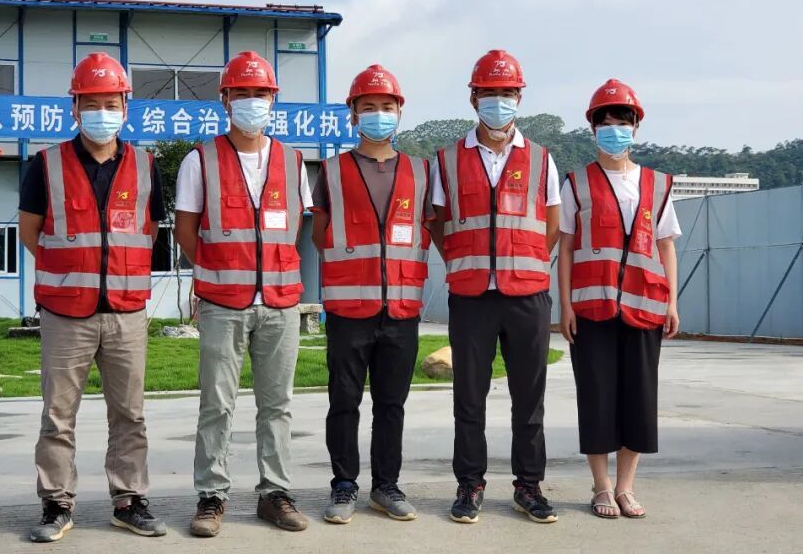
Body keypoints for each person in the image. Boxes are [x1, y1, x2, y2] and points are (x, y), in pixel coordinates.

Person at [18, 52, 168, 542]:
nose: (101, 112)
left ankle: (129, 500)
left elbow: (150, 231)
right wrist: (73, 272)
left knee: (130, 414)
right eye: (91, 103)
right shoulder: (45, 165)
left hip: (126, 312)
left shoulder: (146, 165)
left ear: (125, 106)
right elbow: (30, 232)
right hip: (66, 313)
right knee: (58, 416)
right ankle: (56, 504)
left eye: (111, 103)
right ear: (75, 108)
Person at [174, 51, 312, 537]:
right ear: (226, 99)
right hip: (222, 304)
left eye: (261, 94)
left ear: (273, 100)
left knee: (278, 405)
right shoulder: (200, 160)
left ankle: (275, 493)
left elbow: (294, 229)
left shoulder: (293, 161)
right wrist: (221, 272)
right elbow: (186, 230)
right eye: (243, 93)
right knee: (217, 404)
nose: (252, 102)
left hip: (280, 304)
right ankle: (211, 495)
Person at [427, 50, 562, 524]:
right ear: (473, 98)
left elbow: (551, 225)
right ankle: (470, 484)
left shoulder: (542, 159)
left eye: (507, 93)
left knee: (529, 397)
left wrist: (523, 262)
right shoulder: (447, 159)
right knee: (469, 397)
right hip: (471, 296)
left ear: (519, 98)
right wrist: (464, 261)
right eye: (490, 93)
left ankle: (529, 485)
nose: (499, 102)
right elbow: (437, 223)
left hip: (527, 294)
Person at [310, 65, 433, 524]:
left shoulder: (420, 171)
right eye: (368, 107)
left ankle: (386, 486)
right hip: (348, 310)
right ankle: (344, 486)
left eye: (386, 106)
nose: (378, 114)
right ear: (353, 114)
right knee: (344, 402)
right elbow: (321, 233)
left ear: (399, 112)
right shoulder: (332, 171)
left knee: (391, 404)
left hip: (401, 308)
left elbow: (427, 230)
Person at [556, 78, 681, 520]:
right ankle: (601, 487)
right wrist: (565, 305)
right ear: (593, 129)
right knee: (596, 396)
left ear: (635, 128)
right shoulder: (576, 183)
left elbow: (665, 246)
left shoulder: (656, 184)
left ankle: (627, 487)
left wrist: (672, 302)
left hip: (645, 307)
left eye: (622, 122)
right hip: (592, 309)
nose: (614, 130)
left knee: (638, 399)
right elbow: (566, 247)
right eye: (605, 123)